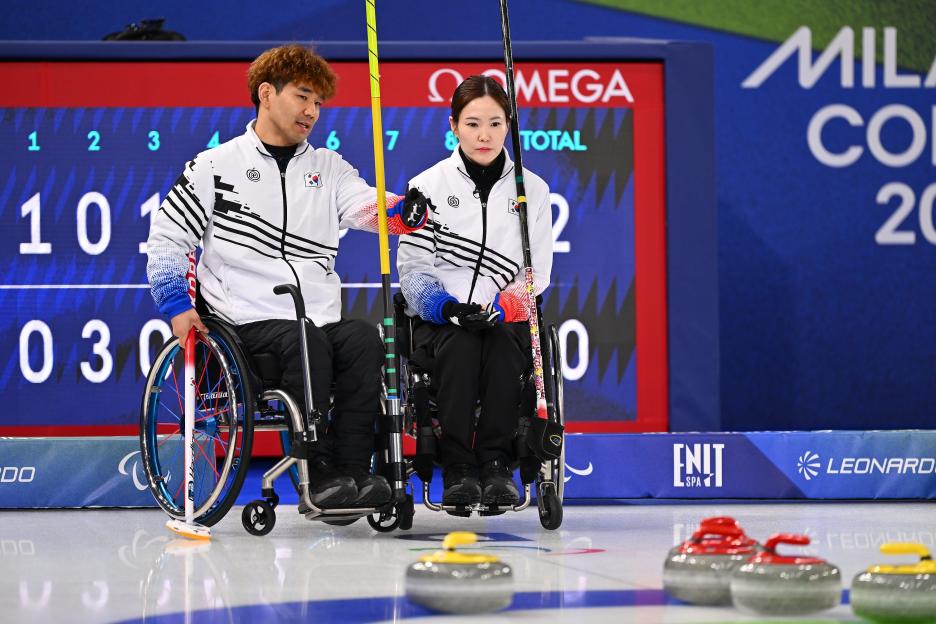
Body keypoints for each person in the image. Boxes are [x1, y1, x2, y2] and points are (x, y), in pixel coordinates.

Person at [146, 45, 428, 510]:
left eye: (318, 102)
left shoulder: (329, 168)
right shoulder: (213, 167)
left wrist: (401, 213)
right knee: (307, 343)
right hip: (244, 322)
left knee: (364, 340)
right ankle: (317, 476)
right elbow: (166, 239)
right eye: (303, 97)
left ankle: (353, 474)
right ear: (266, 94)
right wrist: (177, 305)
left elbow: (363, 205)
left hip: (313, 318)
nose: (312, 112)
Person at [396, 75, 553, 509]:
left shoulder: (532, 189)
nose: (484, 135)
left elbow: (536, 270)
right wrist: (446, 308)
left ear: (509, 126)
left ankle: (497, 465)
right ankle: (460, 468)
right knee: (462, 344)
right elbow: (412, 270)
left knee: (502, 346)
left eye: (495, 123)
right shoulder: (426, 186)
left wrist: (503, 307)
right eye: (472, 124)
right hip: (441, 323)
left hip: (506, 320)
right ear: (453, 125)